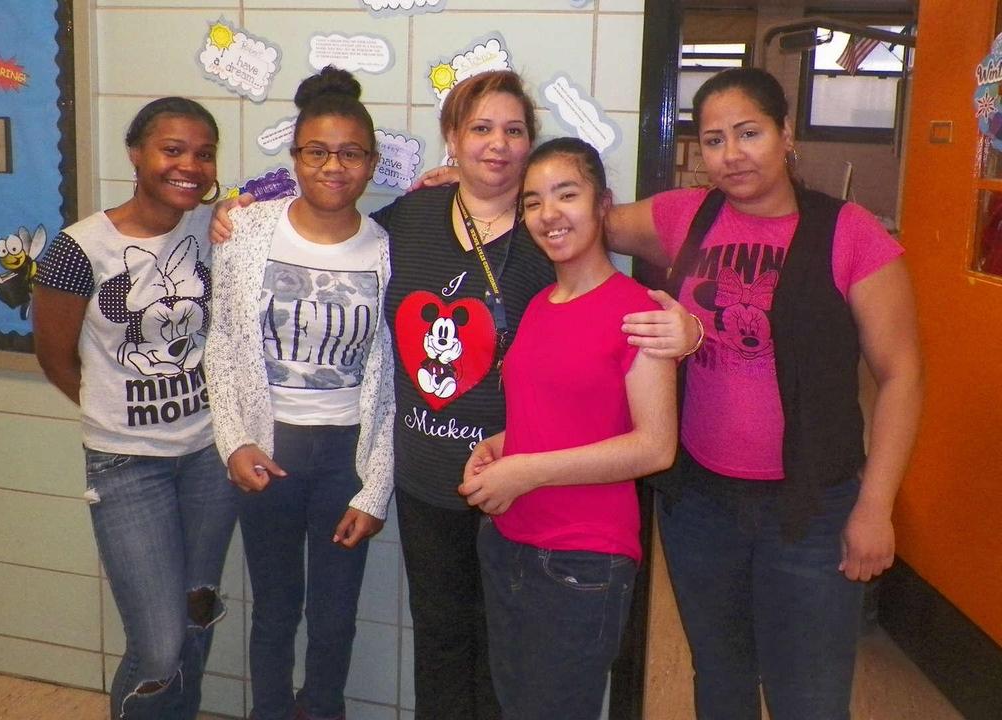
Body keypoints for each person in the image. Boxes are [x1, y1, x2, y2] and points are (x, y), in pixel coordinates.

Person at [212, 70, 698, 719]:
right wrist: (240, 210)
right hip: (427, 480)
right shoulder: (409, 218)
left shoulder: (549, 231)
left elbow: (632, 288)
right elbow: (333, 230)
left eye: (513, 130)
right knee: (440, 644)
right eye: (480, 128)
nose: (497, 143)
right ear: (452, 138)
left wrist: (693, 330)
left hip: (522, 487)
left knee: (508, 662)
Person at [608, 68, 923, 719]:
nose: (732, 154)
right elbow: (583, 219)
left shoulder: (850, 233)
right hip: (700, 505)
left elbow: (902, 376)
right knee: (720, 676)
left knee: (807, 695)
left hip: (810, 508)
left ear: (786, 134)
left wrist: (875, 506)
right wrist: (480, 188)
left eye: (749, 133)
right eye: (714, 140)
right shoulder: (686, 215)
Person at [31, 97, 238, 720]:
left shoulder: (215, 227)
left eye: (204, 154)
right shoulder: (80, 248)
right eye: (172, 150)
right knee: (159, 645)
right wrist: (115, 410)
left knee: (196, 615)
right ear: (136, 154)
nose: (190, 166)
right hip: (127, 467)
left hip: (210, 458)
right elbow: (56, 358)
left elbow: (307, 193)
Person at [459, 137, 678, 719]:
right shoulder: (540, 304)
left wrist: (526, 471)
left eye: (566, 194)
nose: (548, 214)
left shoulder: (639, 312)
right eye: (533, 201)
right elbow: (562, 414)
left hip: (582, 562)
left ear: (603, 204)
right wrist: (501, 447)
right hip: (508, 543)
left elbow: (655, 446)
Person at [204, 66, 394, 720]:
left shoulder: (387, 249)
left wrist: (375, 486)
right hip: (270, 453)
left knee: (336, 616)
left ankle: (323, 710)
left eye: (350, 153)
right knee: (275, 610)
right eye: (317, 152)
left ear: (371, 164)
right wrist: (234, 442)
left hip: (345, 459)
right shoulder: (247, 231)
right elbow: (222, 345)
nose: (333, 167)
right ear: (295, 158)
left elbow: (390, 382)